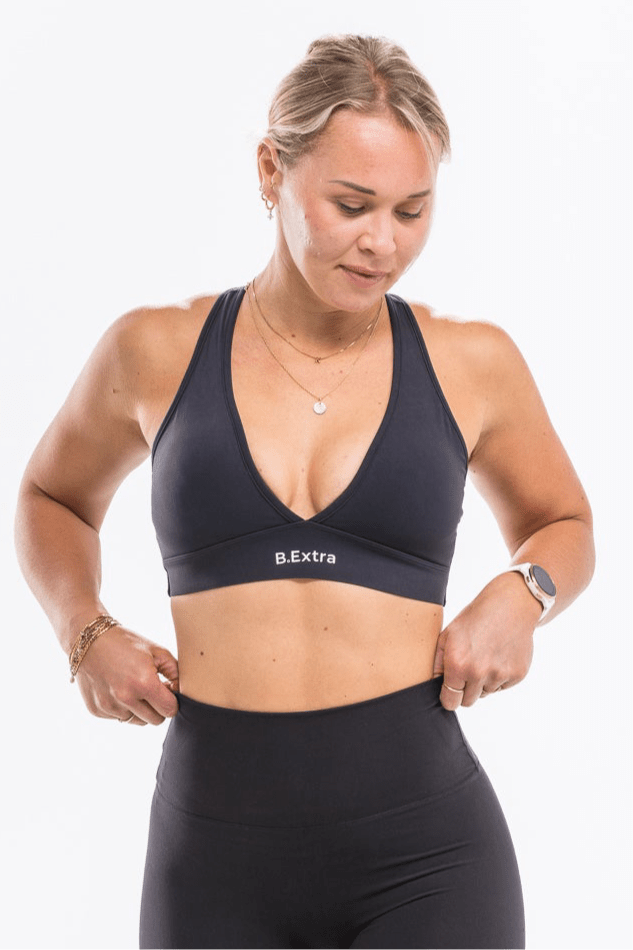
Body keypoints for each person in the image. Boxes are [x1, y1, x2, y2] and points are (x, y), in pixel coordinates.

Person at [14, 33, 594, 950]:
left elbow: (563, 522)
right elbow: (52, 496)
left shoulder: (471, 361)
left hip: (428, 856)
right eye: (351, 205)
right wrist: (82, 630)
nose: (382, 242)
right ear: (270, 170)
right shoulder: (152, 350)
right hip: (213, 855)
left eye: (411, 210)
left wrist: (522, 594)